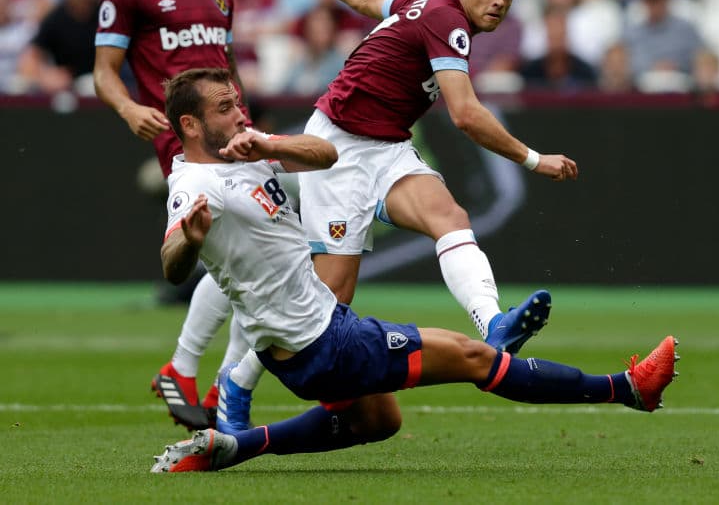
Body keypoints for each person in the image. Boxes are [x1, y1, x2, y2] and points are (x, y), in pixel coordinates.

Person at [149, 67, 678, 473]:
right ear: (190, 125)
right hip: (323, 342)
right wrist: (189, 242)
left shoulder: (242, 153)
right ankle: (628, 388)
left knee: (379, 420)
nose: (239, 114)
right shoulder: (195, 184)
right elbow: (172, 263)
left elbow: (326, 154)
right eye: (225, 108)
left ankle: (235, 446)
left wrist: (269, 144)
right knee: (477, 358)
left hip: (300, 344)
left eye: (238, 102)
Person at [205, 0, 584, 437]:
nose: (499, 1)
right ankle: (237, 381)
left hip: (386, 147)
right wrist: (535, 160)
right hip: (337, 152)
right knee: (328, 302)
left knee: (449, 217)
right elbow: (466, 114)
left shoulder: (424, 6)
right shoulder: (448, 21)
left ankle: (494, 324)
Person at [92, 0, 247, 432]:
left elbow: (227, 69)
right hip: (188, 146)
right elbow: (104, 72)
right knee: (259, 262)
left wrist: (246, 121)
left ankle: (198, 376)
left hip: (237, 140)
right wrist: (129, 108)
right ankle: (212, 381)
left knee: (253, 264)